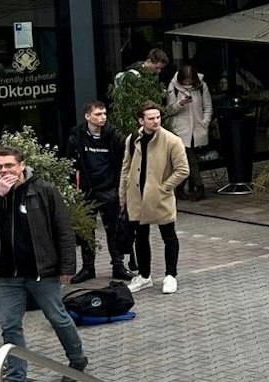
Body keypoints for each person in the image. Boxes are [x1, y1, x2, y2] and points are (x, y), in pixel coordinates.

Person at [0, 145, 87, 382]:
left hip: (41, 271)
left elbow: (63, 230)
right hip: (6, 274)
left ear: (22, 165)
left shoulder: (44, 191)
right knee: (9, 325)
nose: (4, 171)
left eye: (9, 165)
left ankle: (77, 358)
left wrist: (68, 267)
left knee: (56, 316)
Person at [119, 103, 188, 295]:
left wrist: (164, 187)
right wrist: (122, 195)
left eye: (158, 117)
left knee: (168, 235)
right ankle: (144, 276)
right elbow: (126, 168)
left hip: (159, 197)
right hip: (137, 197)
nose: (156, 121)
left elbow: (183, 170)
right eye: (151, 118)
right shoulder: (133, 138)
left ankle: (171, 275)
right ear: (141, 120)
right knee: (140, 237)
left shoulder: (172, 140)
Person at [65, 101, 129, 283]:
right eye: (98, 114)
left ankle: (118, 266)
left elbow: (125, 160)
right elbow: (69, 165)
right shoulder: (76, 137)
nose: (102, 117)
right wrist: (73, 190)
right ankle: (88, 268)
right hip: (87, 190)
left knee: (114, 230)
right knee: (86, 231)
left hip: (109, 188)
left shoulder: (114, 135)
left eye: (104, 114)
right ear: (87, 117)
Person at [165, 64, 214, 201]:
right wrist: (180, 103)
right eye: (185, 80)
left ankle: (181, 188)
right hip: (180, 130)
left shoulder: (201, 87)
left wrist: (205, 122)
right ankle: (198, 187)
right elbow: (169, 110)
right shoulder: (173, 86)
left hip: (197, 129)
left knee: (188, 159)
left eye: (190, 80)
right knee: (188, 158)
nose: (188, 83)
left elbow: (208, 107)